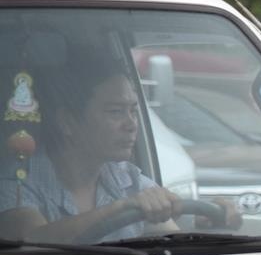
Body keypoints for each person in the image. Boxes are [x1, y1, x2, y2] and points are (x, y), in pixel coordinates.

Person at [0, 57, 213, 244]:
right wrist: (120, 209)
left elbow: (171, 239)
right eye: (116, 112)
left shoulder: (128, 178)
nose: (131, 125)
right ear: (67, 122)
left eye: (133, 111)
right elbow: (31, 240)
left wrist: (208, 220)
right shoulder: (17, 180)